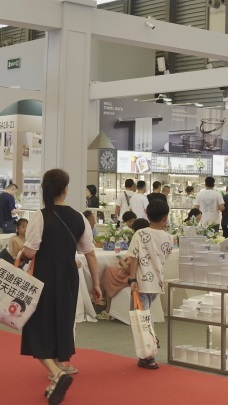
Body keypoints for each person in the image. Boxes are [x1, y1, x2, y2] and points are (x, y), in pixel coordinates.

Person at [18, 168, 102, 403]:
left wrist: (20, 253)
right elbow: (90, 253)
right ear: (66, 189)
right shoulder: (79, 217)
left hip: (44, 274)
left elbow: (31, 251)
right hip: (68, 274)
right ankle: (60, 365)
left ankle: (56, 372)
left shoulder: (40, 216)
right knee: (63, 319)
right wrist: (96, 284)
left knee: (36, 324)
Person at [128, 200, 173, 370]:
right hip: (156, 282)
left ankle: (149, 355)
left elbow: (133, 258)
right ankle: (148, 354)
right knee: (146, 316)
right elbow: (165, 256)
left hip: (140, 282)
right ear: (165, 217)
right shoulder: (168, 237)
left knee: (143, 319)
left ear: (147, 215)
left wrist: (132, 279)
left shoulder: (140, 234)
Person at [97, 219, 149, 321]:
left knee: (108, 271)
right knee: (109, 270)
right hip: (143, 275)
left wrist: (123, 263)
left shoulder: (137, 242)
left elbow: (131, 268)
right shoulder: (148, 242)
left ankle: (107, 306)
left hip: (130, 276)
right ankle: (105, 302)